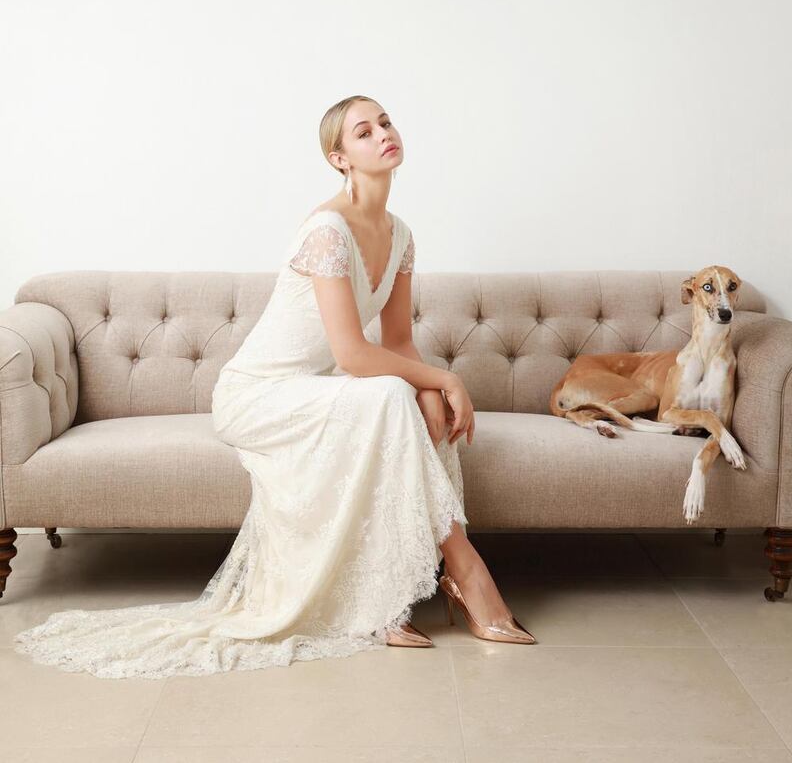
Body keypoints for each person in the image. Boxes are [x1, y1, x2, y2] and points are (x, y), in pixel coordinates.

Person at [13, 94, 533, 678]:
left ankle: (385, 598)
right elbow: (352, 354)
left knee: (407, 400)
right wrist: (446, 377)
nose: (384, 134)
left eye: (385, 122)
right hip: (258, 394)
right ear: (339, 158)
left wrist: (431, 391)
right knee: (392, 396)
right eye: (364, 132)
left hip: (317, 388)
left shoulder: (402, 235)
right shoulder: (327, 231)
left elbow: (397, 342)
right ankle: (465, 570)